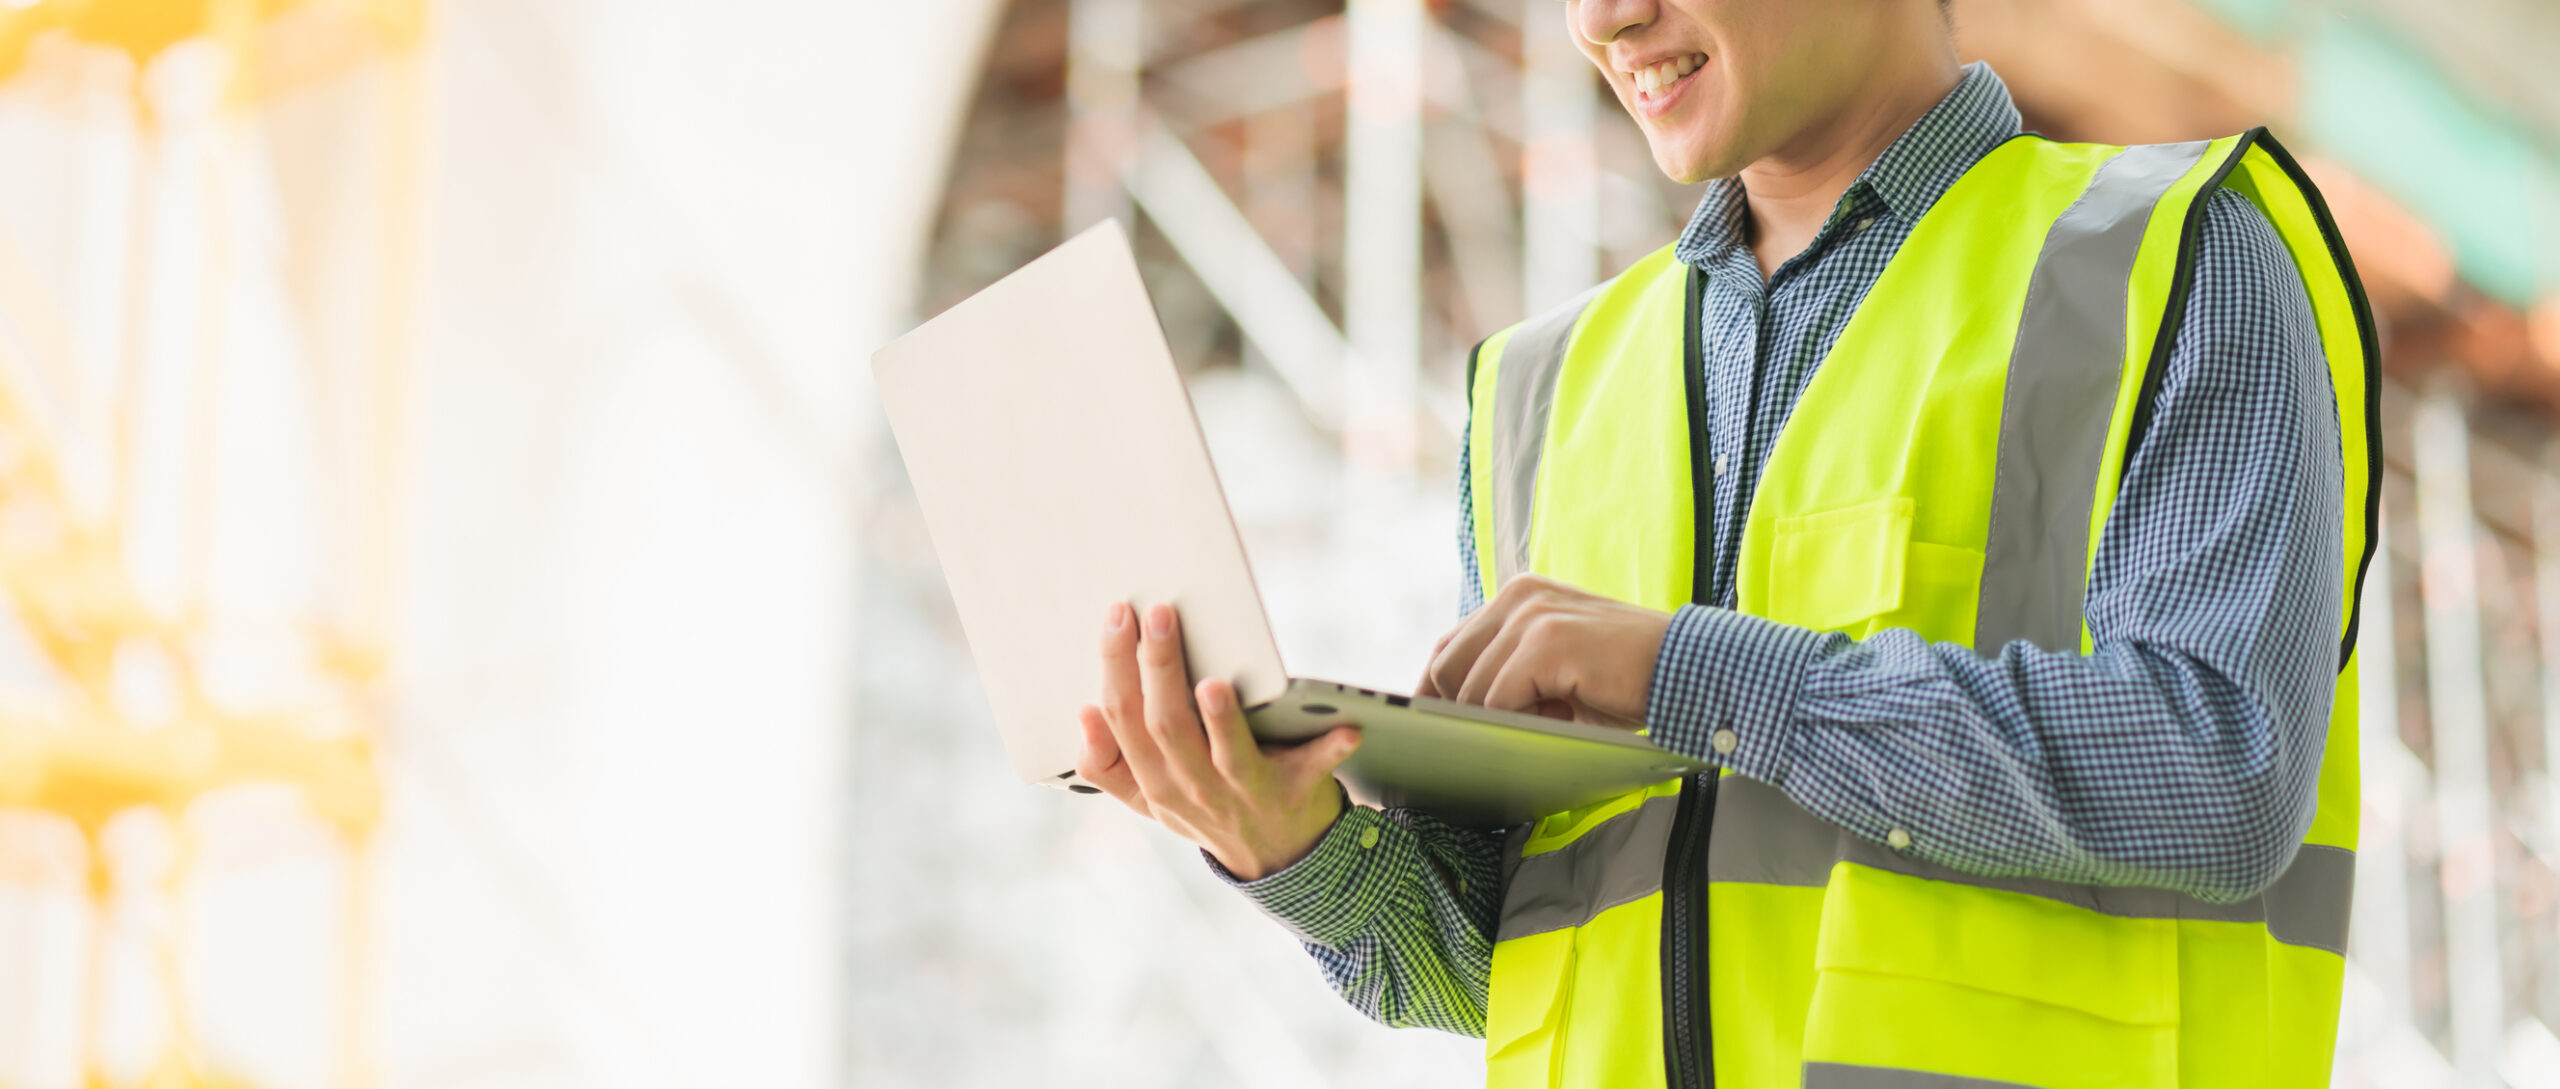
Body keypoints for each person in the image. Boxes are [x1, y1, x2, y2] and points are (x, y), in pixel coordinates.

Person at [1071, 0, 2377, 1085]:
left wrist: (1696, 676)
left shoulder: (2169, 257)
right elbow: (1527, 959)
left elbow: (2223, 766)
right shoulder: (1543, 390)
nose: (1603, 21)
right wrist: (1296, 845)